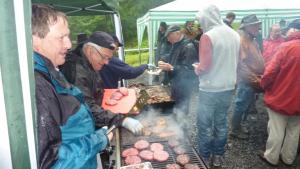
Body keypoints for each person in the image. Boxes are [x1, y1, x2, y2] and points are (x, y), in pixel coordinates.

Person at [32, 4, 112, 169]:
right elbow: (51, 163)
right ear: (35, 40)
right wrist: (100, 139)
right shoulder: (39, 87)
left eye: (68, 36)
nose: (69, 44)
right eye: (61, 37)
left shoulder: (52, 70)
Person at [60, 31, 143, 135]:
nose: (106, 62)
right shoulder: (76, 71)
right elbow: (86, 108)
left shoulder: (88, 62)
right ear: (90, 50)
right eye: (104, 57)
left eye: (109, 58)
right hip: (77, 131)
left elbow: (95, 89)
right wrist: (120, 120)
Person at [194, 5, 240, 167]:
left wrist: (196, 69)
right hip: (228, 87)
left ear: (206, 18)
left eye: (201, 20)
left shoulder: (208, 36)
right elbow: (239, 60)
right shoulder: (234, 34)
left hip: (209, 88)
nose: (200, 24)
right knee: (221, 122)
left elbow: (204, 67)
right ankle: (218, 156)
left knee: (204, 124)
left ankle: (204, 157)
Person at [259, 19, 300, 166]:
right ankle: (288, 158)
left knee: (276, 129)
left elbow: (270, 72)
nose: (286, 31)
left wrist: (263, 84)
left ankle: (271, 157)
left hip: (281, 97)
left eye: (288, 29)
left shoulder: (286, 47)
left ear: (294, 30)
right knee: (294, 130)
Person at [230, 14, 265, 140]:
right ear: (247, 27)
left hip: (253, 79)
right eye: (255, 25)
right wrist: (253, 80)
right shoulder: (242, 40)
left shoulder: (252, 39)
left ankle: (240, 125)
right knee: (240, 105)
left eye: (258, 25)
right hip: (247, 80)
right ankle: (235, 129)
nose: (258, 27)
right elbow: (241, 64)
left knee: (246, 105)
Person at [158, 25, 198, 125]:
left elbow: (189, 70)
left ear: (177, 33)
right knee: (175, 107)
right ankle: (176, 126)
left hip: (184, 86)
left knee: (181, 109)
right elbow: (175, 56)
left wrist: (171, 68)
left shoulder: (189, 47)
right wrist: (164, 58)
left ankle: (182, 131)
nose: (167, 39)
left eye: (169, 36)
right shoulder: (177, 44)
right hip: (176, 82)